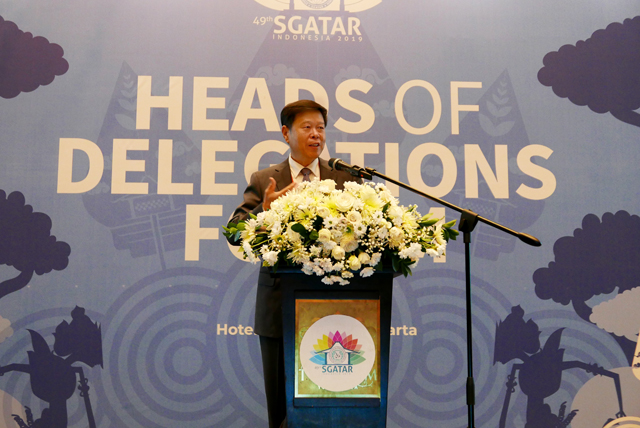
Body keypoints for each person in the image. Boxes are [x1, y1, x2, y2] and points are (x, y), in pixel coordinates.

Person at [227, 99, 360, 428]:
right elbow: (234, 232)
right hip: (279, 307)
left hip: (335, 306)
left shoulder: (344, 177)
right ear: (286, 133)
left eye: (321, 128)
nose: (316, 134)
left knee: (333, 406)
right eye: (307, 127)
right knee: (282, 410)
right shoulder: (264, 179)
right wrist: (264, 212)